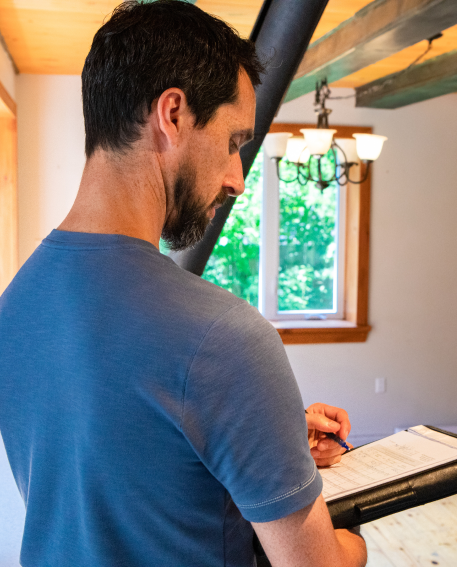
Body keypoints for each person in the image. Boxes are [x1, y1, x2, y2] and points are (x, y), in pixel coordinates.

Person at [0, 2, 367, 566]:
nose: (237, 179)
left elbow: (114, 466)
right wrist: (356, 544)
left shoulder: (18, 302)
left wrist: (264, 440)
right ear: (172, 114)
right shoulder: (225, 335)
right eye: (232, 142)